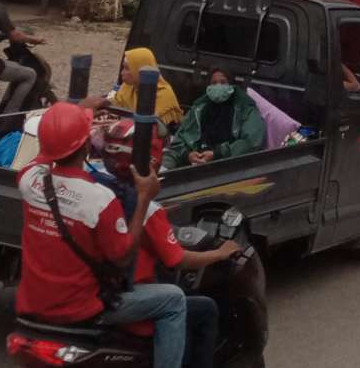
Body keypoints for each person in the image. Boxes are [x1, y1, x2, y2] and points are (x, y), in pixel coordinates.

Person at [16, 103, 189, 368]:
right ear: (86, 146)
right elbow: (122, 257)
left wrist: (76, 110)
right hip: (81, 310)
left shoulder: (30, 181)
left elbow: (44, 155)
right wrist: (144, 197)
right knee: (174, 299)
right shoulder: (100, 200)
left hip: (33, 306)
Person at [99, 119, 238, 368]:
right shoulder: (147, 209)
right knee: (202, 308)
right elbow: (178, 259)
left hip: (91, 289)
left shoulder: (98, 189)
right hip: (123, 296)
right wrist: (219, 254)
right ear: (151, 159)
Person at [163, 70, 265, 170]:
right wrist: (188, 155)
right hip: (196, 167)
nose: (218, 86)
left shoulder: (245, 109)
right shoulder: (198, 109)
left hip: (231, 169)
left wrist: (217, 153)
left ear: (232, 85)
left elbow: (251, 143)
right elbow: (178, 142)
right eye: (214, 83)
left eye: (223, 82)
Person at [105, 47, 185, 128]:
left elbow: (152, 127)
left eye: (127, 68)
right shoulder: (128, 87)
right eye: (123, 67)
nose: (122, 72)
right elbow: (115, 106)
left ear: (139, 70)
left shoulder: (164, 95)